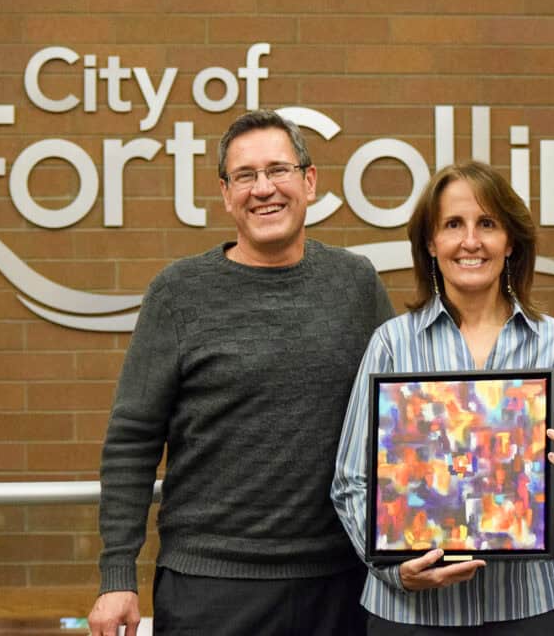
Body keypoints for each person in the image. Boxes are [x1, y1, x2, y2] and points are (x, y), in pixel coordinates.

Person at [88, 109, 394, 636]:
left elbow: (400, 419)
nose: (264, 189)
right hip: (209, 588)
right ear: (226, 194)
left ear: (310, 180)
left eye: (279, 170)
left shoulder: (356, 284)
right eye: (245, 176)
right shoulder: (178, 293)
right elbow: (131, 441)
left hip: (341, 584)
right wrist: (118, 575)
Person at [332, 160, 554, 634]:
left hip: (526, 606)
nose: (470, 241)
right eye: (453, 224)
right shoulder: (392, 343)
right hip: (411, 612)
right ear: (431, 243)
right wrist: (392, 568)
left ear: (510, 241)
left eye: (487, 224)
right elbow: (351, 481)